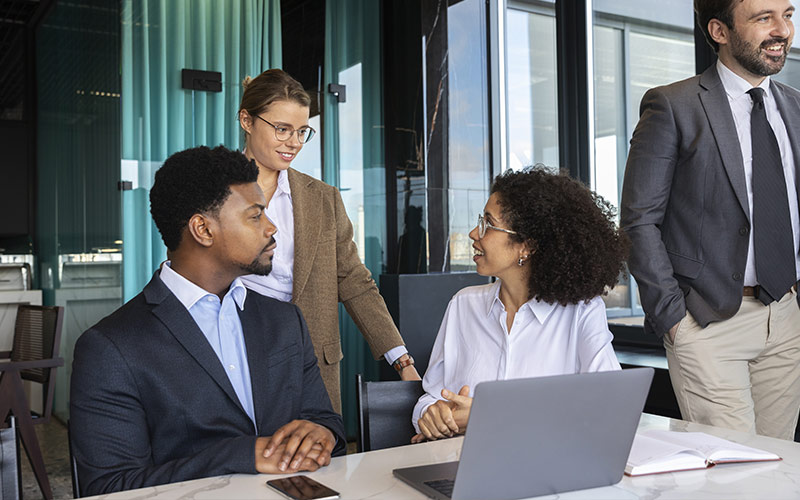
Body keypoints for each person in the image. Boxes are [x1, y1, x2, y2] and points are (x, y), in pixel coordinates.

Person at [70, 146, 345, 496]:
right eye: (255, 215)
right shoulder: (111, 348)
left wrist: (323, 433)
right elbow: (109, 487)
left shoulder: (285, 321)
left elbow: (325, 421)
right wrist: (241, 455)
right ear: (202, 229)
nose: (272, 227)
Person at [621, 0, 800, 440]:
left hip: (787, 317)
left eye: (788, 15)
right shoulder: (673, 105)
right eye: (764, 18)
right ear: (720, 31)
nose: (782, 30)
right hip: (707, 322)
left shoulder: (796, 107)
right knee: (731, 475)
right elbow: (639, 221)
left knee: (778, 470)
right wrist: (673, 318)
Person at [237, 69, 420, 413]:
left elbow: (353, 280)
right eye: (282, 129)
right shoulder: (215, 190)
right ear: (247, 120)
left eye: (302, 131)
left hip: (313, 365)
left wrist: (401, 360)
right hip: (239, 356)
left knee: (323, 460)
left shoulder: (323, 198)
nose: (294, 142)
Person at [412, 166, 628, 441]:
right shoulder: (463, 305)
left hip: (546, 472)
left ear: (527, 246)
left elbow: (609, 406)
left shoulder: (581, 311)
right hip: (462, 466)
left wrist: (489, 415)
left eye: (488, 225)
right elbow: (430, 395)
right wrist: (431, 415)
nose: (473, 234)